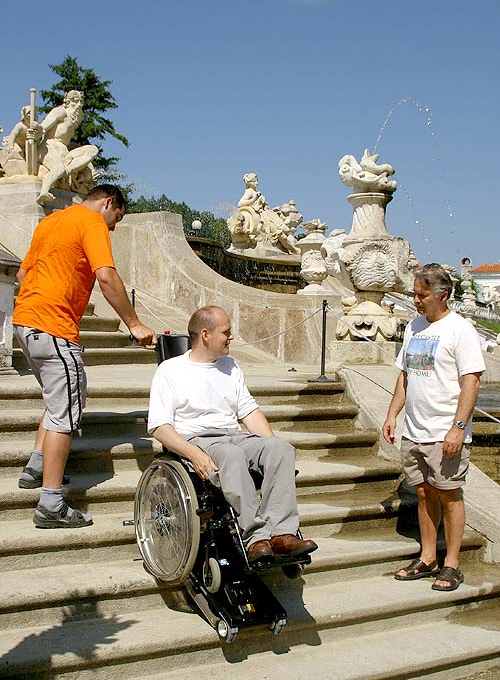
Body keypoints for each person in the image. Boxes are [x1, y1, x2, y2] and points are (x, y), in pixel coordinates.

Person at [13, 184, 157, 528]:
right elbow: (106, 276)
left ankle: (36, 466)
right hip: (54, 326)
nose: (112, 228)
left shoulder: (51, 221)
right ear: (108, 203)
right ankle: (50, 503)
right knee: (65, 413)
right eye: (116, 220)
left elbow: (21, 274)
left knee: (56, 399)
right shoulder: (91, 222)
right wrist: (134, 324)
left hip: (25, 323)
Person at [147, 305, 318, 564]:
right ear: (205, 335)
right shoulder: (170, 370)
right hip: (199, 440)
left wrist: (270, 447)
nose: (231, 337)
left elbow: (249, 412)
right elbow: (159, 426)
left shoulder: (230, 366)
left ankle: (283, 534)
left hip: (234, 435)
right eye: (226, 332)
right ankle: (255, 537)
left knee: (280, 449)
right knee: (232, 454)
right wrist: (194, 454)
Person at [382, 263, 485, 591]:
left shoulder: (460, 329)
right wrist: (391, 414)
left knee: (449, 495)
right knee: (424, 493)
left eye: (421, 294)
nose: (415, 299)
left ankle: (452, 563)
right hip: (414, 430)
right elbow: (405, 375)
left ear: (443, 296)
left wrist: (457, 427)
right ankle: (428, 557)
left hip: (445, 433)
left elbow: (471, 381)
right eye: (414, 293)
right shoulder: (413, 327)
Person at [36, 90, 99, 204]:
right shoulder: (59, 112)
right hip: (49, 146)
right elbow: (43, 128)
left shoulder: (77, 117)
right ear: (68, 101)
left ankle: (69, 170)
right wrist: (35, 131)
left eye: (81, 101)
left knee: (93, 150)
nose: (79, 104)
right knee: (59, 168)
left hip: (64, 150)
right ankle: (44, 192)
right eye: (75, 101)